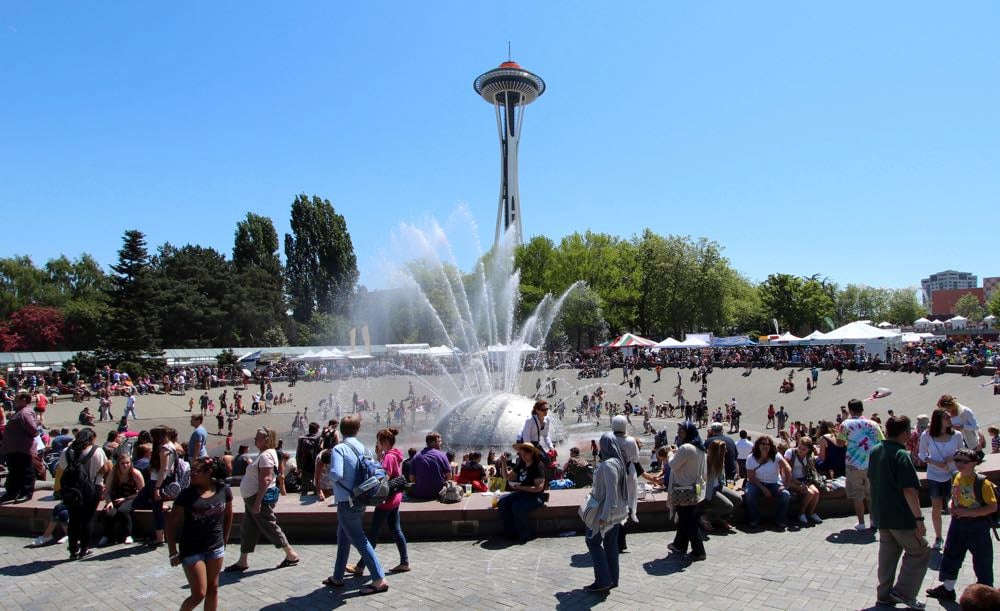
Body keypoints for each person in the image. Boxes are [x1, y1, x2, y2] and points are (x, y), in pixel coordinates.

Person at [869, 415, 930, 610]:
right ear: (904, 433)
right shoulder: (901, 454)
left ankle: (884, 595)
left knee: (887, 555)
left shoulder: (876, 450)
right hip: (901, 516)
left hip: (882, 514)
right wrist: (919, 518)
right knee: (920, 550)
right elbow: (909, 490)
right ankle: (904, 592)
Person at [325, 415, 389, 595]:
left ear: (341, 431)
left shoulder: (339, 448)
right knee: (343, 537)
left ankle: (379, 578)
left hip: (346, 500)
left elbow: (336, 474)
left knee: (359, 539)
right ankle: (337, 577)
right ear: (357, 430)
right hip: (361, 498)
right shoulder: (364, 448)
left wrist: (328, 473)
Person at [924, 448, 997, 602]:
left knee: (982, 559)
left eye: (965, 461)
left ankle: (986, 594)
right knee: (951, 554)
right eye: (957, 460)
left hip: (977, 526)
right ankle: (948, 588)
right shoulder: (956, 476)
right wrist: (951, 505)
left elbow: (992, 507)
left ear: (974, 463)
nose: (960, 464)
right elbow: (954, 496)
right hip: (958, 523)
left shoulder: (982, 483)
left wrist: (968, 513)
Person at [226, 427, 299, 572]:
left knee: (269, 525)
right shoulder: (266, 453)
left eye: (257, 437)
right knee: (248, 527)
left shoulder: (266, 455)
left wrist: (257, 503)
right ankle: (242, 560)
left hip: (257, 498)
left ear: (266, 440)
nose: (255, 439)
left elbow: (266, 479)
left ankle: (291, 554)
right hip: (252, 498)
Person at [166, 457, 234, 611]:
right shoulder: (186, 495)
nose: (192, 474)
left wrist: (225, 538)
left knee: (213, 588)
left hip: (215, 546)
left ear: (209, 472)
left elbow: (229, 515)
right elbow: (171, 524)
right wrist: (172, 551)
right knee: (199, 593)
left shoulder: (223, 489)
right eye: (192, 471)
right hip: (192, 548)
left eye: (196, 471)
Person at [346, 427, 410, 578]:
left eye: (378, 442)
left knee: (373, 534)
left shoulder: (388, 457)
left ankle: (361, 566)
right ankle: (404, 562)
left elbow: (383, 477)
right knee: (396, 529)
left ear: (385, 442)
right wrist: (379, 455)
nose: (377, 444)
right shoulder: (394, 454)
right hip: (395, 499)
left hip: (386, 501)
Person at [581, 432, 629, 592]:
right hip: (616, 513)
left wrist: (604, 517)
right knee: (610, 545)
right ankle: (612, 579)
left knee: (592, 542)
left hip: (606, 513)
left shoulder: (609, 465)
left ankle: (603, 580)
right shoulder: (618, 461)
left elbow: (611, 494)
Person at [57, 428, 111, 559]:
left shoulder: (66, 452)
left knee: (74, 519)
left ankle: (73, 550)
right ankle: (84, 549)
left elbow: (62, 468)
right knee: (88, 519)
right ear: (91, 438)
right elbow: (105, 469)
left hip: (72, 490)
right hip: (92, 488)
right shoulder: (97, 451)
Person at [918, 408, 964, 549]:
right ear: (939, 420)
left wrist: (951, 458)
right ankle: (938, 537)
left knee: (955, 505)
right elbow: (921, 454)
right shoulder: (927, 435)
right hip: (934, 475)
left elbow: (962, 452)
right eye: (947, 418)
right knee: (936, 506)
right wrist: (934, 462)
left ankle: (956, 537)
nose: (950, 420)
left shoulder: (956, 435)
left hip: (952, 474)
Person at [837, 398, 884, 530]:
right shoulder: (873, 424)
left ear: (850, 410)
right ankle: (874, 521)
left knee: (857, 495)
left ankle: (861, 523)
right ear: (862, 409)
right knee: (872, 494)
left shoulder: (846, 424)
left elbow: (839, 443)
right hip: (872, 464)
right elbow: (882, 441)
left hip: (853, 463)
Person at [666, 422, 707, 560]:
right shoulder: (700, 448)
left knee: (688, 521)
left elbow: (673, 465)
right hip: (694, 488)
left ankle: (699, 551)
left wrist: (670, 454)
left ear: (688, 433)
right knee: (686, 519)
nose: (678, 434)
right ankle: (679, 545)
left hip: (683, 489)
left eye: (681, 431)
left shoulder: (686, 447)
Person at [496, 443, 547, 543]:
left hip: (536, 497)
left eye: (525, 455)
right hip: (522, 494)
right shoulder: (522, 464)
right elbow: (507, 477)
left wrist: (520, 487)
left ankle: (525, 534)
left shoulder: (538, 466)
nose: (523, 457)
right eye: (521, 455)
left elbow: (538, 488)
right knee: (502, 502)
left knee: (517, 506)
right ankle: (510, 532)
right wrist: (503, 463)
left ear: (532, 453)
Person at [744, 435, 791, 529]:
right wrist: (763, 488)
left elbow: (787, 468)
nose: (765, 446)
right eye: (763, 444)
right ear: (758, 445)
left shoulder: (776, 456)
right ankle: (755, 518)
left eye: (767, 444)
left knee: (786, 495)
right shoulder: (751, 458)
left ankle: (780, 519)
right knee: (749, 494)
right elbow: (751, 477)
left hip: (773, 483)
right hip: (757, 483)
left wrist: (786, 484)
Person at [0, 390, 40, 503]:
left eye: (16, 398)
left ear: (23, 400)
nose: (14, 400)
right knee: (14, 472)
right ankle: (12, 492)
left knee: (26, 471)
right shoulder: (19, 412)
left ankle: (26, 493)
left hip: (22, 448)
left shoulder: (25, 412)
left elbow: (33, 430)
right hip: (13, 449)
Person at [99, 453, 144, 546]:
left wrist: (125, 498)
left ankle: (128, 535)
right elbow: (107, 491)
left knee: (123, 511)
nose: (125, 465)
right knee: (109, 513)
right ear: (118, 464)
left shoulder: (136, 473)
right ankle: (107, 536)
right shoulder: (113, 473)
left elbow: (142, 492)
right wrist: (109, 502)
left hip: (131, 498)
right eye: (122, 463)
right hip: (115, 499)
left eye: (127, 463)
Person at [610, 415, 639, 554]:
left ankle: (613, 540)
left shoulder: (608, 439)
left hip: (613, 474)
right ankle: (622, 542)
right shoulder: (630, 440)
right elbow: (635, 458)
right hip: (628, 474)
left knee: (614, 505)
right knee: (626, 505)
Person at [702, 439, 741, 531]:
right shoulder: (705, 459)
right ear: (717, 451)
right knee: (728, 506)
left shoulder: (720, 460)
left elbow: (720, 478)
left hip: (718, 485)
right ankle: (705, 516)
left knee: (738, 499)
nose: (726, 451)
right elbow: (706, 479)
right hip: (707, 487)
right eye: (724, 450)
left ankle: (719, 519)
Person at [783, 436, 823, 525]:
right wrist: (798, 482)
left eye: (804, 449)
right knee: (809, 493)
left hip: (804, 479)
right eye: (799, 447)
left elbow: (811, 469)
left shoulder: (809, 456)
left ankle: (811, 513)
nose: (800, 450)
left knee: (816, 493)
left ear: (808, 450)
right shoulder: (790, 452)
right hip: (790, 479)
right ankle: (801, 513)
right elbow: (784, 469)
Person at [408, 432, 452, 500]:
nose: (441, 443)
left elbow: (411, 478)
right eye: (439, 441)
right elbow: (449, 476)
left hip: (419, 493)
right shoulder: (442, 455)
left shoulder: (416, 457)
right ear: (433, 443)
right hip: (438, 493)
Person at [295, 422, 322, 496]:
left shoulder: (301, 439)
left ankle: (304, 496)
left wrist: (298, 466)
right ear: (317, 429)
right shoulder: (319, 438)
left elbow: (298, 454)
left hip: (305, 465)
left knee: (304, 485)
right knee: (316, 483)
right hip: (315, 465)